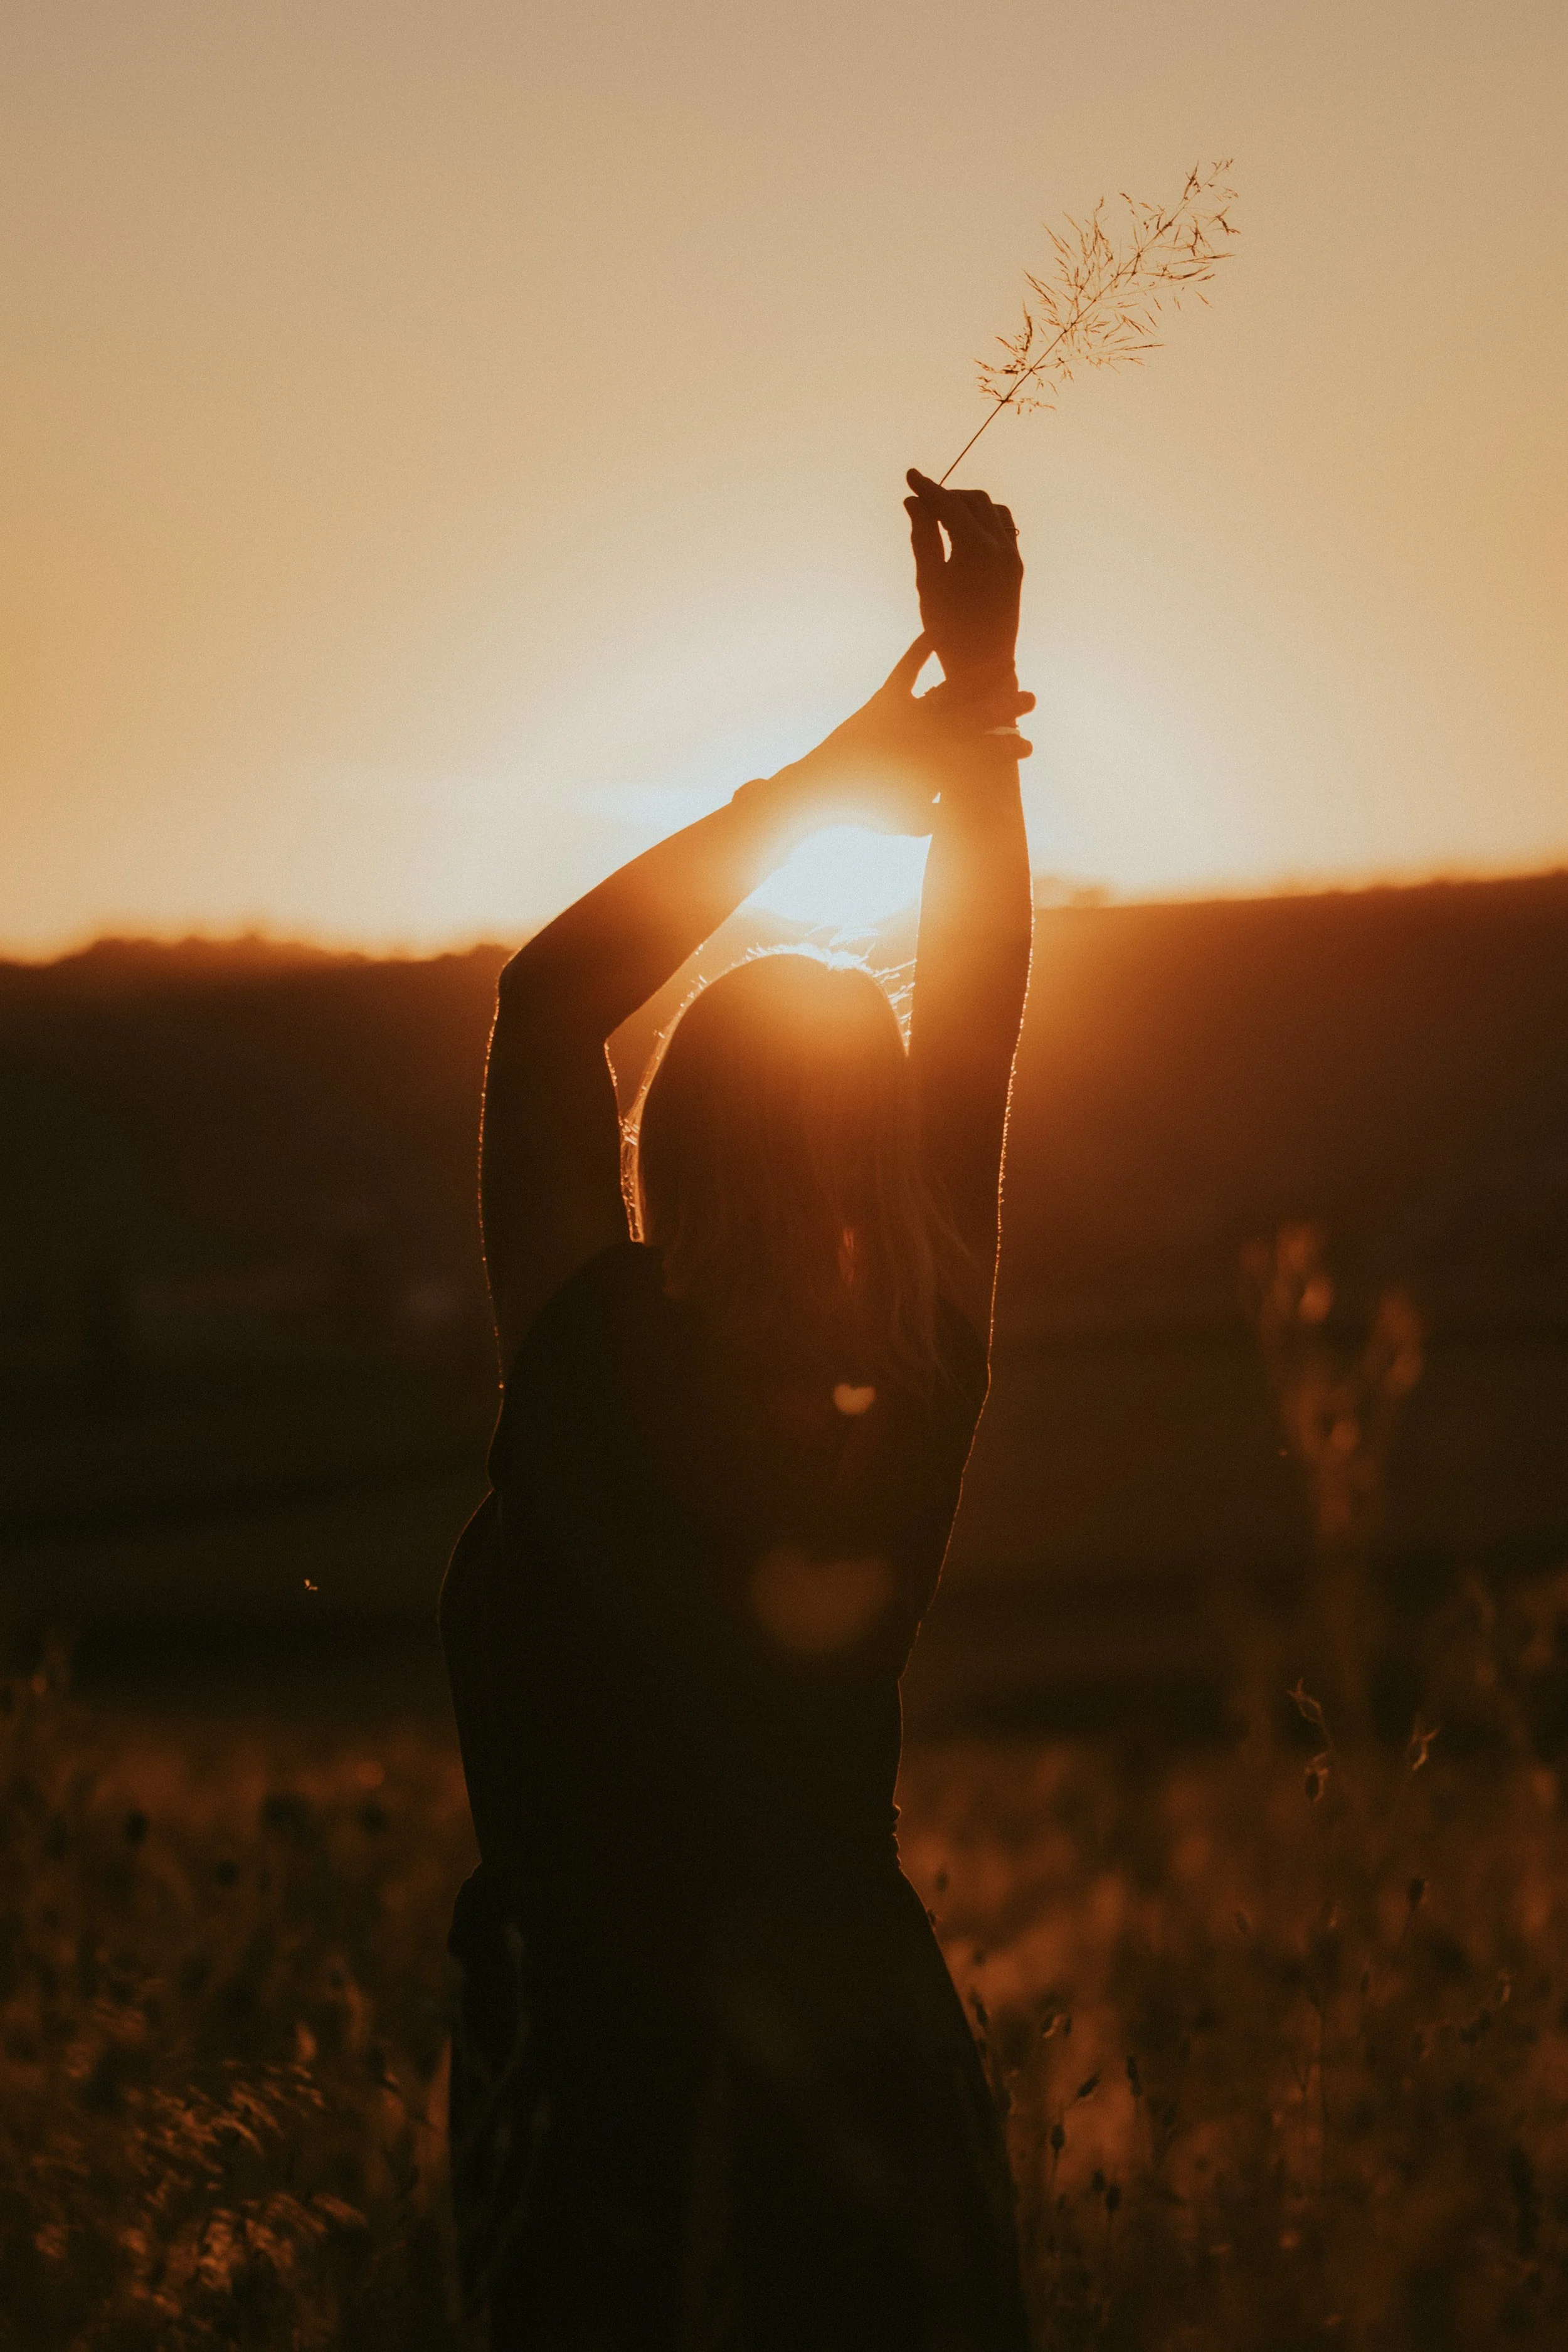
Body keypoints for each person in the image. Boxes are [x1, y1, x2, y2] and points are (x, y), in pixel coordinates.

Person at [440, 469, 1036, 2349]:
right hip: (860, 2090)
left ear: (662, 1130)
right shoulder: (916, 1364)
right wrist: (984, 711)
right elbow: (981, 1024)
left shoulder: (588, 1357)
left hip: (606, 2107)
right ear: (880, 1158)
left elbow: (547, 1003)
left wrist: (853, 766)